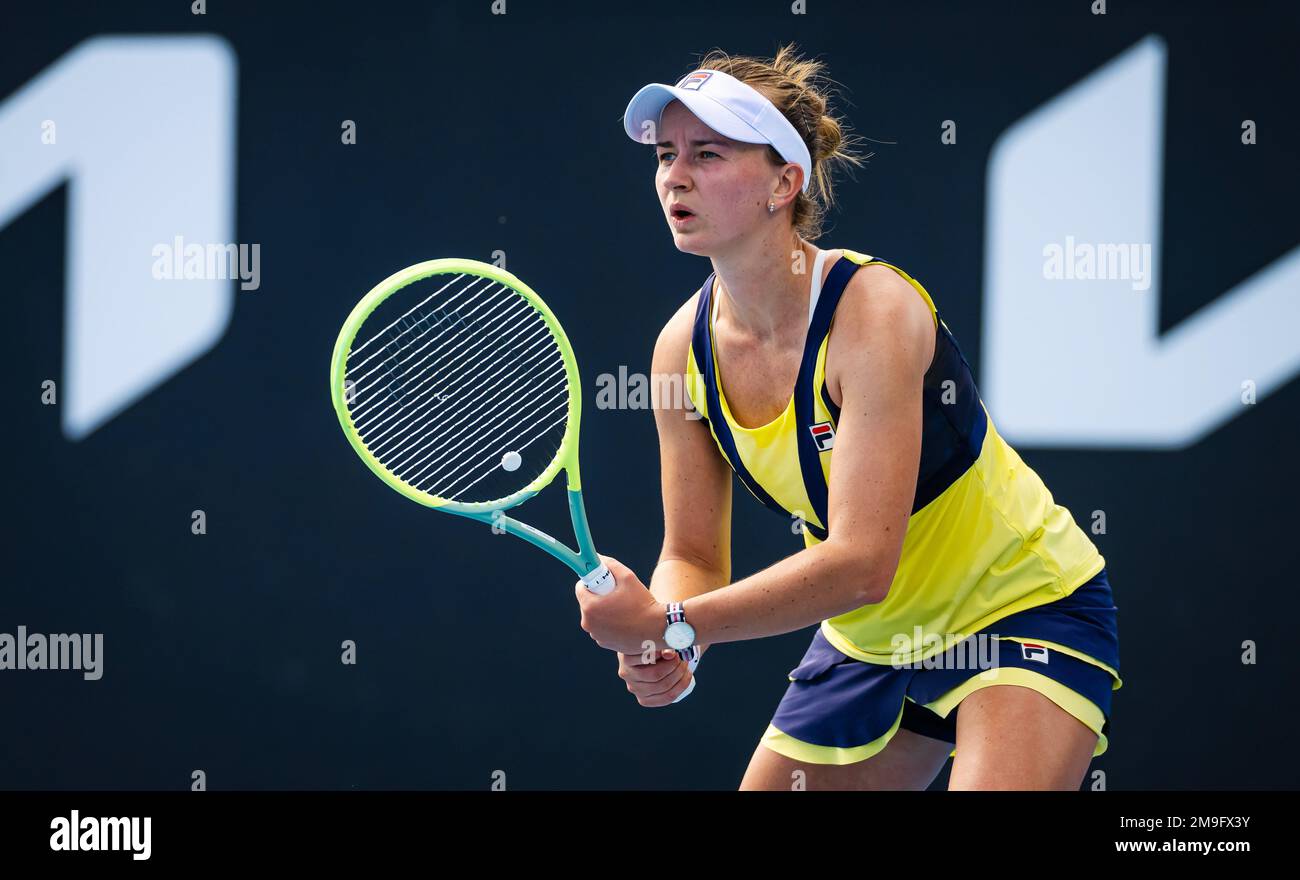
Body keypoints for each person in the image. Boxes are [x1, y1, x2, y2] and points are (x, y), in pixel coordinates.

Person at [575, 44, 1121, 791]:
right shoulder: (680, 352)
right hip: (870, 644)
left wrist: (676, 623)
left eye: (708, 153)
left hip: (1019, 609)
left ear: (783, 183)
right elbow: (695, 555)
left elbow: (863, 565)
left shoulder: (873, 312)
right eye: (666, 154)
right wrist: (668, 637)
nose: (674, 173)